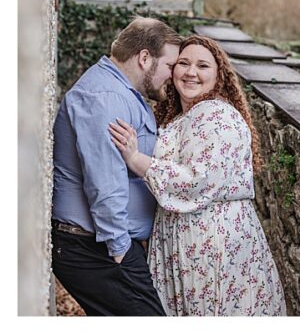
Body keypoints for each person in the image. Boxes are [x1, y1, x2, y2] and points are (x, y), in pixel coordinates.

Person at [107, 35, 287, 316]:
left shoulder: (216, 115)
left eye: (203, 66)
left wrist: (135, 159)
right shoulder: (184, 116)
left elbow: (196, 180)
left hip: (213, 242)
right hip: (187, 240)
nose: (191, 72)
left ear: (219, 76)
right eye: (184, 63)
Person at [51, 17, 182, 316]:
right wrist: (121, 249)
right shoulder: (106, 97)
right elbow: (104, 182)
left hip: (104, 246)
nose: (173, 76)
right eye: (170, 66)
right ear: (145, 58)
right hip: (97, 248)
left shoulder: (121, 92)